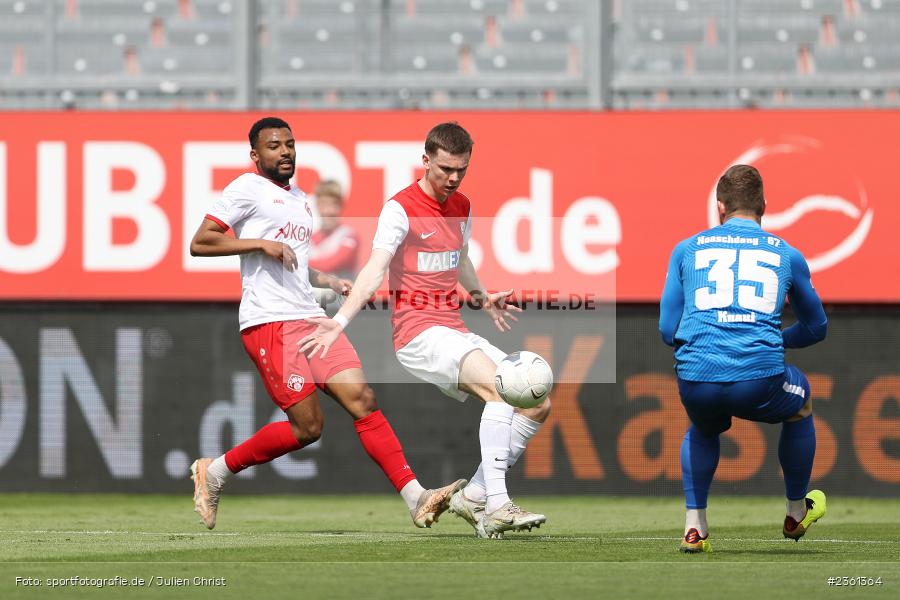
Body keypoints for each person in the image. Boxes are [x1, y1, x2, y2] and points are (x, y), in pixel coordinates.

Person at [188, 116, 464, 530]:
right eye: (274, 146)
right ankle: (215, 473)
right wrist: (260, 243)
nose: (284, 152)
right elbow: (200, 242)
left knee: (363, 399)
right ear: (255, 155)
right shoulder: (246, 188)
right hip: (270, 322)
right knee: (308, 428)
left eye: (290, 144)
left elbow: (291, 258)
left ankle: (416, 497)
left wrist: (324, 278)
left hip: (311, 318)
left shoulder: (299, 197)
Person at [298, 122, 552, 539]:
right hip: (418, 334)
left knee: (535, 405)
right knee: (500, 388)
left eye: (461, 170)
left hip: (452, 327)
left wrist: (482, 296)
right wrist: (340, 320)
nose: (453, 178)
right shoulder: (400, 208)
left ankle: (474, 495)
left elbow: (461, 258)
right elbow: (375, 269)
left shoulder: (462, 205)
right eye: (446, 169)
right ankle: (499, 507)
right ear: (426, 159)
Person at [659, 164, 829, 553]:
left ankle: (694, 528)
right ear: (765, 206)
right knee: (800, 401)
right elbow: (817, 328)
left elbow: (668, 332)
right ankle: (795, 511)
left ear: (720, 207)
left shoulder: (686, 249)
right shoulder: (787, 254)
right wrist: (771, 341)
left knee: (702, 428)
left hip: (696, 380)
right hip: (759, 378)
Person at [309, 179, 360, 279]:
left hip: (343, 294)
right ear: (317, 205)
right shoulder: (310, 239)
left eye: (334, 204)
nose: (329, 211)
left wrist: (299, 262)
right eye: (324, 204)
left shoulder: (349, 236)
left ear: (341, 206)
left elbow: (329, 265)